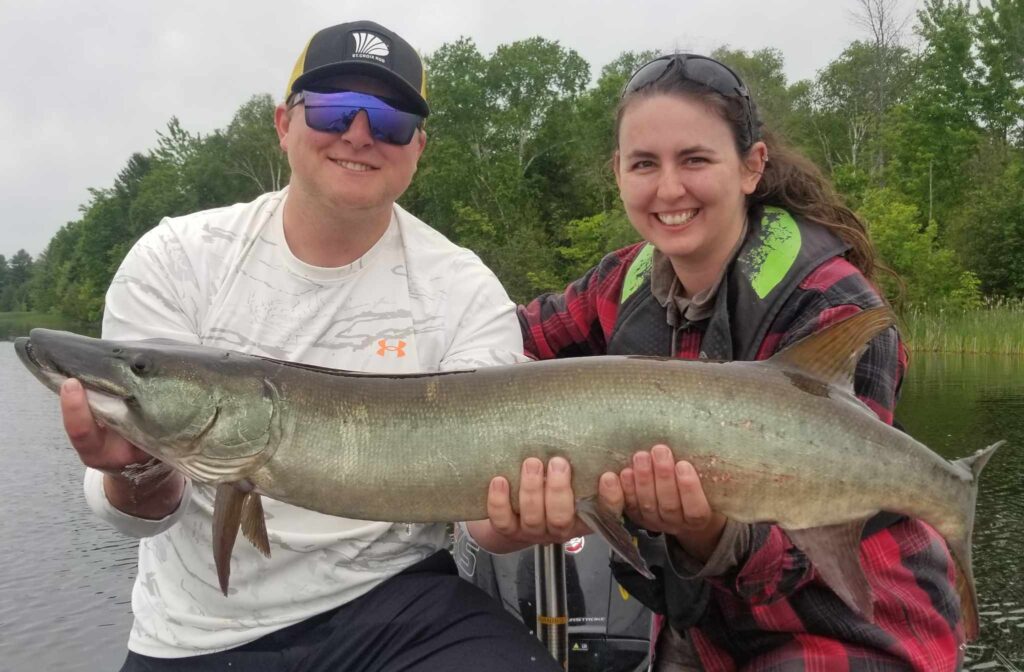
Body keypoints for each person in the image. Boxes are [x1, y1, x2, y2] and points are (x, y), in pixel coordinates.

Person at [58, 20, 565, 671]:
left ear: (418, 147)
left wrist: (522, 517)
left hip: (399, 605)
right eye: (330, 108)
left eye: (390, 119)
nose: (359, 133)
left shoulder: (463, 290)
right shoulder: (177, 260)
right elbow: (142, 517)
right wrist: (135, 467)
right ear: (283, 124)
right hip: (200, 630)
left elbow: (481, 523)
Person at [501, 54, 963, 671]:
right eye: (644, 164)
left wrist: (706, 532)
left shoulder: (833, 304)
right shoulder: (620, 281)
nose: (669, 189)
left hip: (856, 626)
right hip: (704, 628)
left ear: (751, 167)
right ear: (618, 173)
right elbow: (501, 341)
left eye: (695, 159)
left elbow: (797, 556)